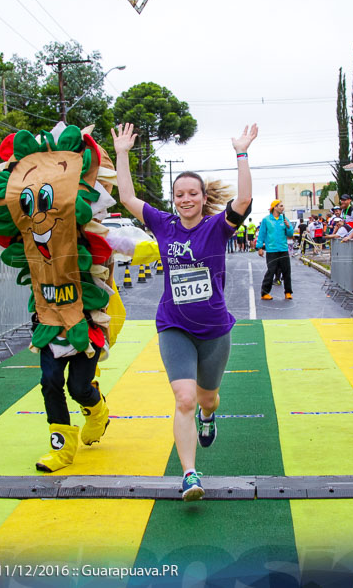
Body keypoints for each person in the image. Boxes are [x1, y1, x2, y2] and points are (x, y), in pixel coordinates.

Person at [112, 121, 255, 502]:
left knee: (207, 399)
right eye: (179, 194)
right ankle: (190, 475)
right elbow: (126, 197)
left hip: (213, 329)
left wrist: (241, 153)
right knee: (184, 399)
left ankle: (210, 418)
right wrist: (122, 153)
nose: (186, 199)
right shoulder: (163, 224)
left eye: (192, 193)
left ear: (203, 196)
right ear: (173, 198)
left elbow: (241, 202)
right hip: (173, 325)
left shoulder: (216, 228)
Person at [257, 200, 294, 300]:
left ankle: (288, 292)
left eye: (283, 206)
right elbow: (262, 234)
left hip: (283, 249)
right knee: (271, 271)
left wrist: (288, 226)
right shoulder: (266, 220)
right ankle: (264, 293)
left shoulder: (284, 219)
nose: (283, 208)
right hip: (271, 250)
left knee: (286, 271)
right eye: (281, 206)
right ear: (275, 207)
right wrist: (260, 247)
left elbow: (290, 234)